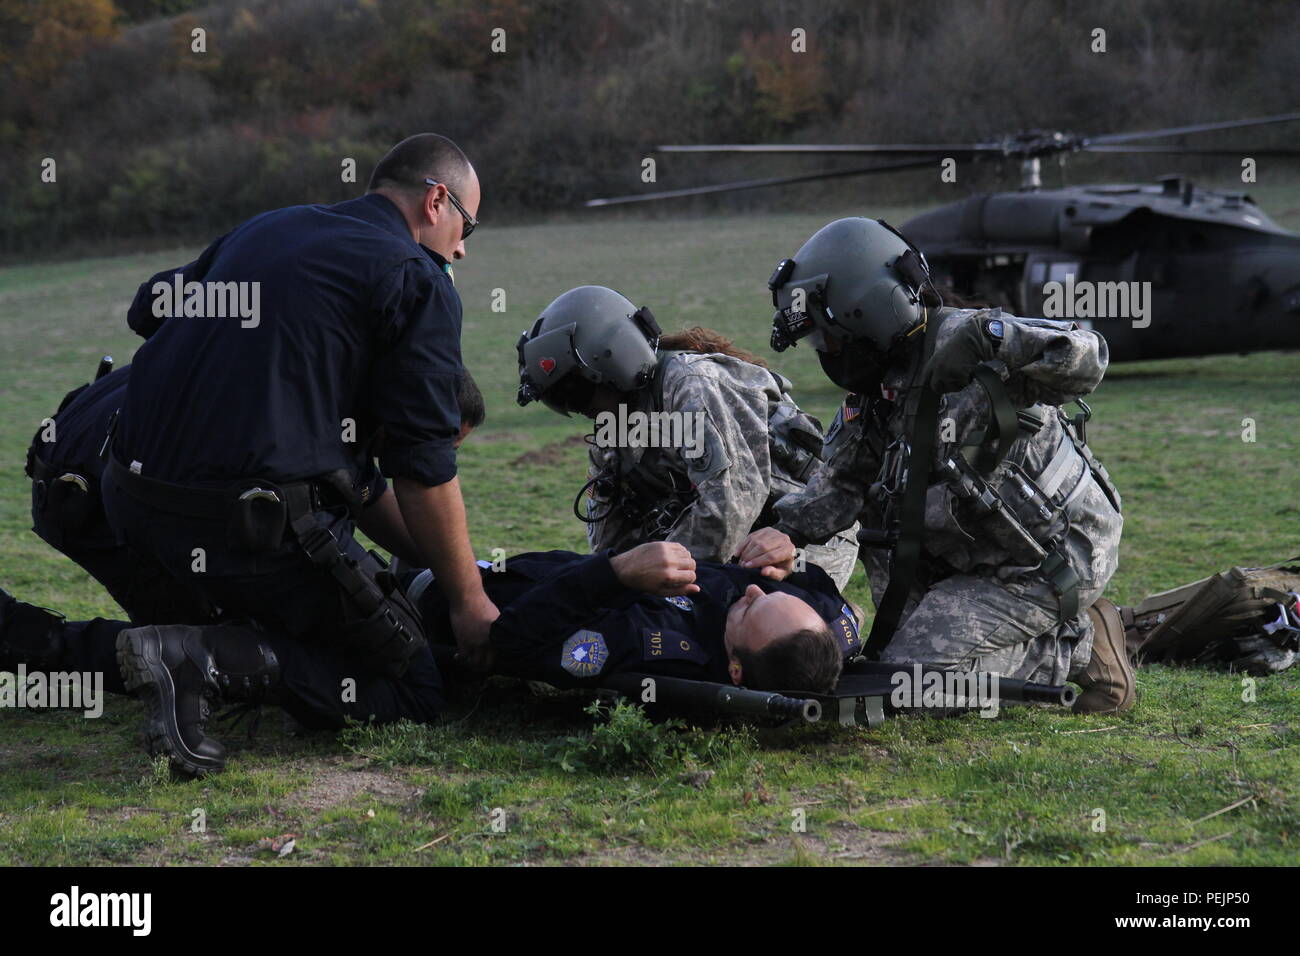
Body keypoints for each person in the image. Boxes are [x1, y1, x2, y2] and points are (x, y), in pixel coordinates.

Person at [85, 133, 498, 770]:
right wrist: (469, 601)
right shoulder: (416, 278)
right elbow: (422, 467)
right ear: (436, 201)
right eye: (466, 225)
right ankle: (196, 659)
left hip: (129, 504)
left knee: (298, 610)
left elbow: (148, 308)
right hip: (244, 527)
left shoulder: (271, 226)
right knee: (413, 686)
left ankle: (185, 655)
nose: (463, 248)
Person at [2, 530, 854, 777]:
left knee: (245, 639)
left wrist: (612, 571)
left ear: (734, 671)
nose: (743, 593)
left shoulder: (649, 648)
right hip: (414, 584)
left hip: (415, 621)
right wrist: (779, 560)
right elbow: (828, 606)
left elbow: (510, 643)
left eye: (752, 610)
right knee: (202, 608)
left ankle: (51, 644)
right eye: (757, 591)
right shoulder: (776, 622)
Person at [736, 217, 1132, 713]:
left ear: (866, 312)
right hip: (967, 557)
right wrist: (784, 532)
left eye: (828, 339)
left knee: (911, 689)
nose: (826, 355)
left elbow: (1088, 356)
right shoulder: (877, 391)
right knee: (883, 670)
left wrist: (996, 338)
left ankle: (1077, 645)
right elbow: (841, 485)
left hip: (1043, 563)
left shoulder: (975, 343)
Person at [5, 366, 486, 702]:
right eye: (433, 444)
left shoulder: (340, 376)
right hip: (90, 482)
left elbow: (379, 508)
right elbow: (374, 514)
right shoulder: (325, 420)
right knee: (203, 651)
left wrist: (462, 586)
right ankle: (20, 640)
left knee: (235, 638)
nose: (427, 465)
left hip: (102, 440)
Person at [515, 285, 860, 588]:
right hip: (721, 551)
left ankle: (836, 624)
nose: (579, 409)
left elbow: (731, 505)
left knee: (740, 628)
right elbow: (610, 543)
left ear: (611, 360)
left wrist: (654, 579)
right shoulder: (616, 429)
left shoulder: (693, 383)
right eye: (563, 399)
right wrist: (616, 579)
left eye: (577, 391)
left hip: (798, 539)